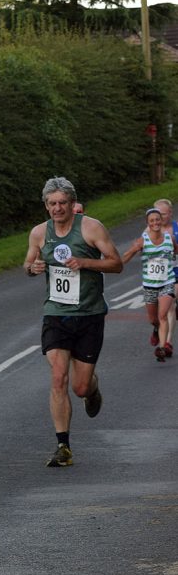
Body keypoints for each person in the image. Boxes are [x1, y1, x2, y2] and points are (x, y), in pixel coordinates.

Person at [24, 177, 123, 467]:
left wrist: (86, 262)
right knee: (58, 377)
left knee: (79, 387)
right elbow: (28, 265)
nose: (57, 208)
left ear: (72, 204)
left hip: (89, 314)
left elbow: (116, 263)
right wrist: (34, 267)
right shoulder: (39, 233)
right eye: (52, 204)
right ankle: (63, 446)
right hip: (56, 313)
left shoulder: (91, 228)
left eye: (62, 203)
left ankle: (92, 388)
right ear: (46, 205)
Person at [120, 207, 176, 362]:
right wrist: (116, 265)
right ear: (148, 223)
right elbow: (127, 255)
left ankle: (163, 348)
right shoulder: (143, 241)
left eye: (157, 219)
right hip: (150, 285)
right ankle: (156, 329)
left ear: (161, 220)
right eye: (152, 221)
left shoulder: (169, 239)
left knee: (163, 315)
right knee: (153, 319)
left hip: (167, 281)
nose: (156, 222)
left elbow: (176, 252)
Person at [153, 198, 178, 354]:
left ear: (170, 213)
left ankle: (167, 343)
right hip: (157, 274)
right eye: (158, 214)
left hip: (175, 271)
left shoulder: (177, 229)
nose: (160, 218)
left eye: (163, 214)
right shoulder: (150, 231)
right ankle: (156, 329)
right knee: (157, 311)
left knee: (170, 306)